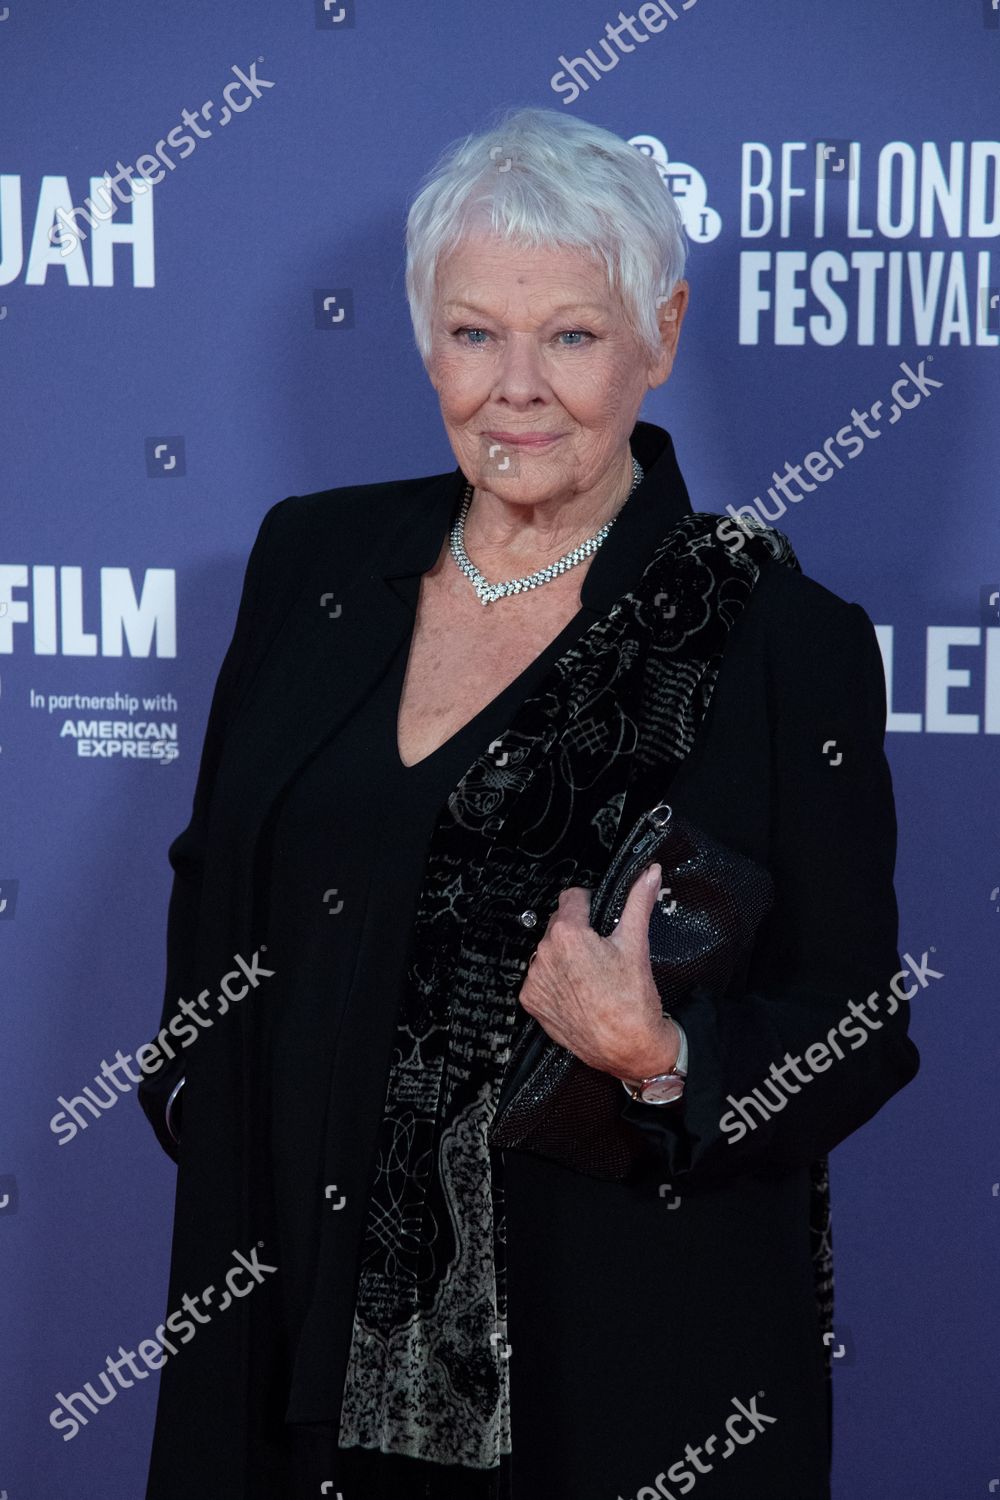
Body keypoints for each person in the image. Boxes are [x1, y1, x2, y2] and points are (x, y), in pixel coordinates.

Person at [138, 106, 919, 1500]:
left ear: (661, 335)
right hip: (282, 1315)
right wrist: (207, 1093)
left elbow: (856, 1026)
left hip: (604, 1366)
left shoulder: (776, 639)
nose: (516, 387)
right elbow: (219, 870)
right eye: (473, 332)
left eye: (571, 335)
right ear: (423, 337)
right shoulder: (310, 558)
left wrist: (660, 1054)